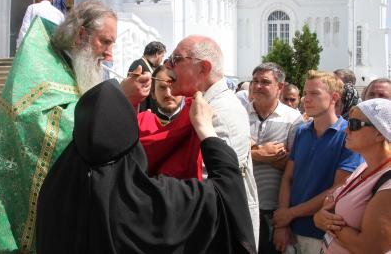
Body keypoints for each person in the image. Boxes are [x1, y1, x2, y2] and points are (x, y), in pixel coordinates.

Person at [0, 0, 151, 253]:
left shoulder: (73, 63)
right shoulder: (39, 63)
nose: (110, 54)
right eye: (105, 42)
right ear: (81, 35)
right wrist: (118, 99)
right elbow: (47, 129)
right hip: (26, 213)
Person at [36, 82, 257, 254]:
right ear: (131, 138)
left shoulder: (53, 191)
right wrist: (205, 129)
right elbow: (225, 190)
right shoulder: (151, 202)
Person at [164, 35, 260, 248]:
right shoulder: (205, 102)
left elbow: (215, 186)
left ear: (203, 68)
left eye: (176, 59)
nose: (169, 65)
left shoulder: (218, 112)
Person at [273, 70, 364, 254]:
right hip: (291, 231)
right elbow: (288, 178)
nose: (306, 99)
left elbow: (338, 189)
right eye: (305, 93)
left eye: (314, 93)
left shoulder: (349, 135)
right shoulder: (301, 132)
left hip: (322, 234)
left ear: (334, 97)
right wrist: (282, 224)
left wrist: (289, 214)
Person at [314, 98, 391, 254]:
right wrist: (319, 216)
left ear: (379, 133)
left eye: (354, 124)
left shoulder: (387, 183)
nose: (346, 130)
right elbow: (330, 202)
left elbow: (369, 248)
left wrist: (326, 223)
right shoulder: (363, 167)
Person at [247, 62, 303, 254]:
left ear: (280, 86)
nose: (258, 86)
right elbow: (228, 155)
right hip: (241, 204)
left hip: (272, 211)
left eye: (265, 82)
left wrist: (249, 149)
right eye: (255, 81)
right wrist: (261, 153)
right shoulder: (239, 114)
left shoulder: (294, 119)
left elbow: (291, 166)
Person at [128, 41, 166, 111]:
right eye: (162, 56)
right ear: (157, 54)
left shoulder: (146, 65)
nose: (161, 60)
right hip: (141, 113)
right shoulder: (138, 65)